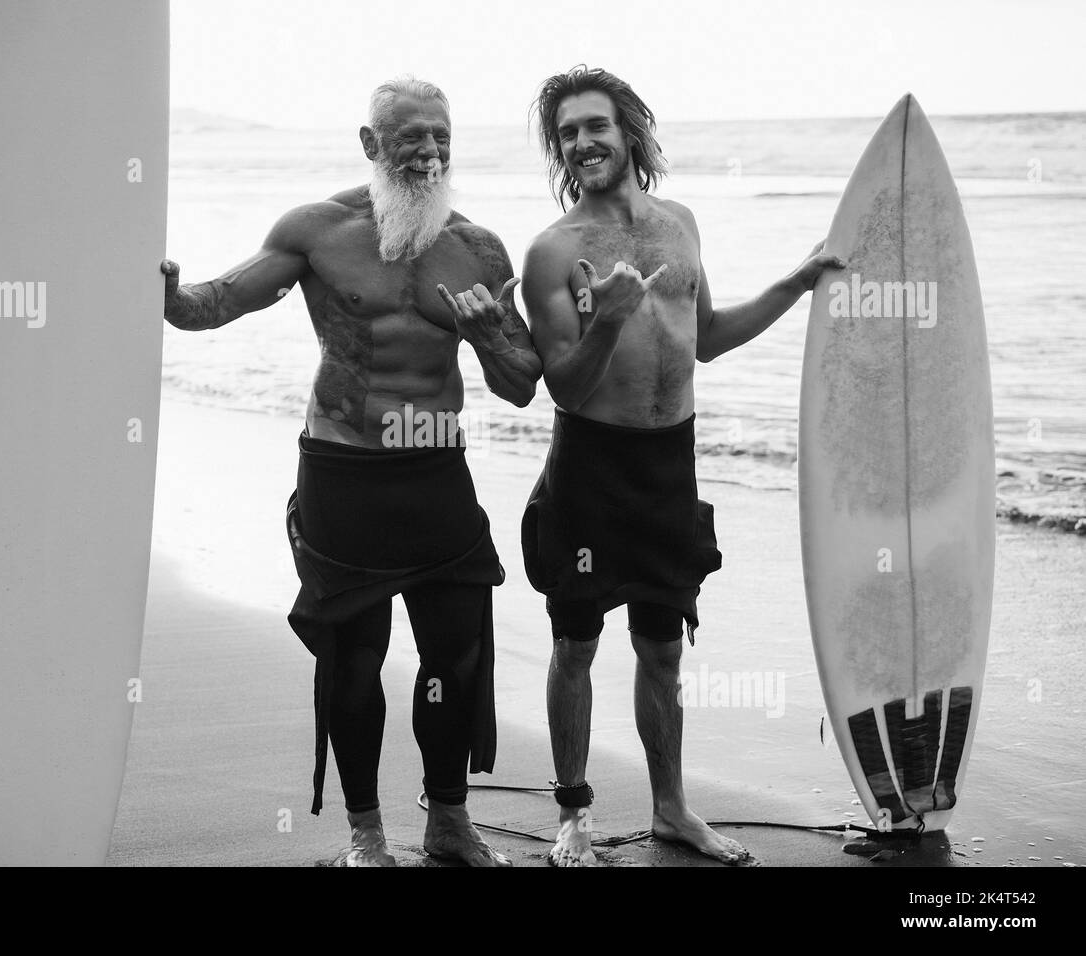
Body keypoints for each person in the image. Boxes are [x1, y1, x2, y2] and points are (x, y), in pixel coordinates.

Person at [161, 76, 541, 867]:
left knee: (455, 656)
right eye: (410, 137)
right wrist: (164, 292)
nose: (429, 151)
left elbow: (520, 386)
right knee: (353, 659)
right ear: (370, 144)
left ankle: (448, 822)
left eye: (441, 136)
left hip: (437, 474)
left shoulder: (478, 248)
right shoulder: (316, 231)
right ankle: (367, 838)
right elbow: (216, 302)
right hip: (345, 472)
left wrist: (485, 338)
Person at [520, 65, 845, 867]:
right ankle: (573, 816)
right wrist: (608, 321)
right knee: (576, 643)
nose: (583, 142)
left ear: (629, 130)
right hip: (591, 466)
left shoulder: (681, 223)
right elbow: (558, 382)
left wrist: (797, 284)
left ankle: (672, 810)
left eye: (595, 125)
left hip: (670, 464)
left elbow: (708, 337)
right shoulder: (552, 251)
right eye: (567, 133)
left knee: (662, 647)